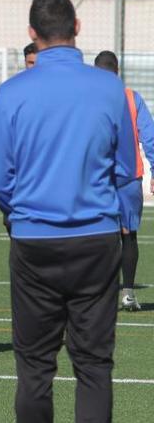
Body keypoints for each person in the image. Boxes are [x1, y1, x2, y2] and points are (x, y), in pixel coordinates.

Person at [0, 0, 135, 422]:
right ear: (78, 28)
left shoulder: (12, 93)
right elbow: (125, 168)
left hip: (34, 240)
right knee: (93, 366)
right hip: (96, 238)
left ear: (32, 34)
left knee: (34, 368)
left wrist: (22, 214)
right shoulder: (110, 88)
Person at [94, 50, 154, 312]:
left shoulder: (88, 99)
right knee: (128, 235)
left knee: (97, 235)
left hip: (97, 178)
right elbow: (149, 138)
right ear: (118, 71)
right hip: (129, 178)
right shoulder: (132, 98)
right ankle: (128, 293)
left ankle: (98, 295)